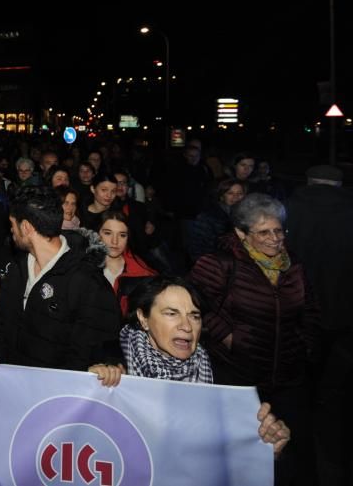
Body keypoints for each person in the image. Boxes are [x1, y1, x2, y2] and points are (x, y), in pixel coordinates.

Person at [189, 193, 321, 484]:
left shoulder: (292, 265)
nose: (275, 239)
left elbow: (309, 308)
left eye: (278, 230)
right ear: (241, 233)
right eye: (264, 232)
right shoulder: (218, 263)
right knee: (246, 454)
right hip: (240, 377)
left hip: (289, 375)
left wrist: (304, 342)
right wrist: (231, 338)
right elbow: (197, 309)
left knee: (294, 453)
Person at [88, 277, 290, 457]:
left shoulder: (226, 378)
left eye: (194, 316)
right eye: (172, 313)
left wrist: (267, 445)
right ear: (143, 318)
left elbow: (238, 455)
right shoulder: (108, 359)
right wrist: (89, 388)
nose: (186, 326)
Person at [0, 186, 121, 371]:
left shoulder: (87, 281)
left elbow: (91, 353)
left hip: (54, 394)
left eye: (12, 223)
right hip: (10, 386)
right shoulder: (17, 269)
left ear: (26, 227)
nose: (11, 230)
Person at [285, 164, 353, 483]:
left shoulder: (290, 208)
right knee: (335, 368)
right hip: (343, 306)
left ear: (309, 181)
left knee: (302, 362)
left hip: (299, 304)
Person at [98, 210, 158, 314]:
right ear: (97, 235)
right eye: (108, 233)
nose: (115, 241)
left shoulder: (143, 274)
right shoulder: (83, 268)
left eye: (122, 235)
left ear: (128, 238)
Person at [185, 178, 246, 265]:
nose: (236, 197)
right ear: (222, 196)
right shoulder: (209, 216)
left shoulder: (243, 214)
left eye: (240, 193)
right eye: (230, 193)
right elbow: (199, 249)